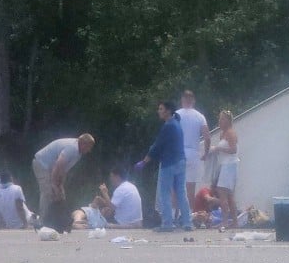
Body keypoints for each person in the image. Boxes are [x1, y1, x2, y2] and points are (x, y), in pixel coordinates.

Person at [135, 100, 192, 232]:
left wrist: (144, 161)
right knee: (181, 192)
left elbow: (157, 146)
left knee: (165, 193)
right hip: (181, 161)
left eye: (161, 109)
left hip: (169, 163)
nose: (158, 111)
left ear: (167, 111)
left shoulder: (168, 126)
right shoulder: (177, 124)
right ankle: (187, 222)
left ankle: (167, 224)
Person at [32, 133, 95, 213]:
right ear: (83, 144)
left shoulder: (78, 154)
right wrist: (54, 184)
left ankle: (57, 219)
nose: (89, 150)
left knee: (59, 194)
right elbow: (58, 165)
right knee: (48, 192)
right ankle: (43, 220)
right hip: (42, 163)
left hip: (51, 167)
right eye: (89, 147)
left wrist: (60, 185)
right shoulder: (73, 148)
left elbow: (64, 170)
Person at [176, 90, 210, 211]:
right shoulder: (200, 116)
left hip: (179, 152)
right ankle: (189, 215)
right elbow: (207, 137)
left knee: (176, 186)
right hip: (194, 153)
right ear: (193, 101)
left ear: (182, 100)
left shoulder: (176, 114)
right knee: (190, 187)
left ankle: (175, 214)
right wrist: (205, 153)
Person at [78, 167, 143, 229]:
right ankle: (87, 219)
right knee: (100, 203)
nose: (111, 179)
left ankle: (86, 220)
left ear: (117, 177)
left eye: (112, 176)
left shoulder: (121, 189)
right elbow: (113, 206)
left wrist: (105, 193)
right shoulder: (130, 186)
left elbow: (111, 207)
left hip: (125, 222)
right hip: (137, 221)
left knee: (102, 221)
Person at [212, 110, 239, 229]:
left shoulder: (230, 133)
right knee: (229, 195)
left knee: (222, 192)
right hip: (224, 164)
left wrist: (218, 149)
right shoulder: (222, 134)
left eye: (222, 119)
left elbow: (233, 150)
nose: (220, 121)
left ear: (228, 121)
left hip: (230, 164)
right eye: (219, 119)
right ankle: (234, 221)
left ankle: (225, 221)